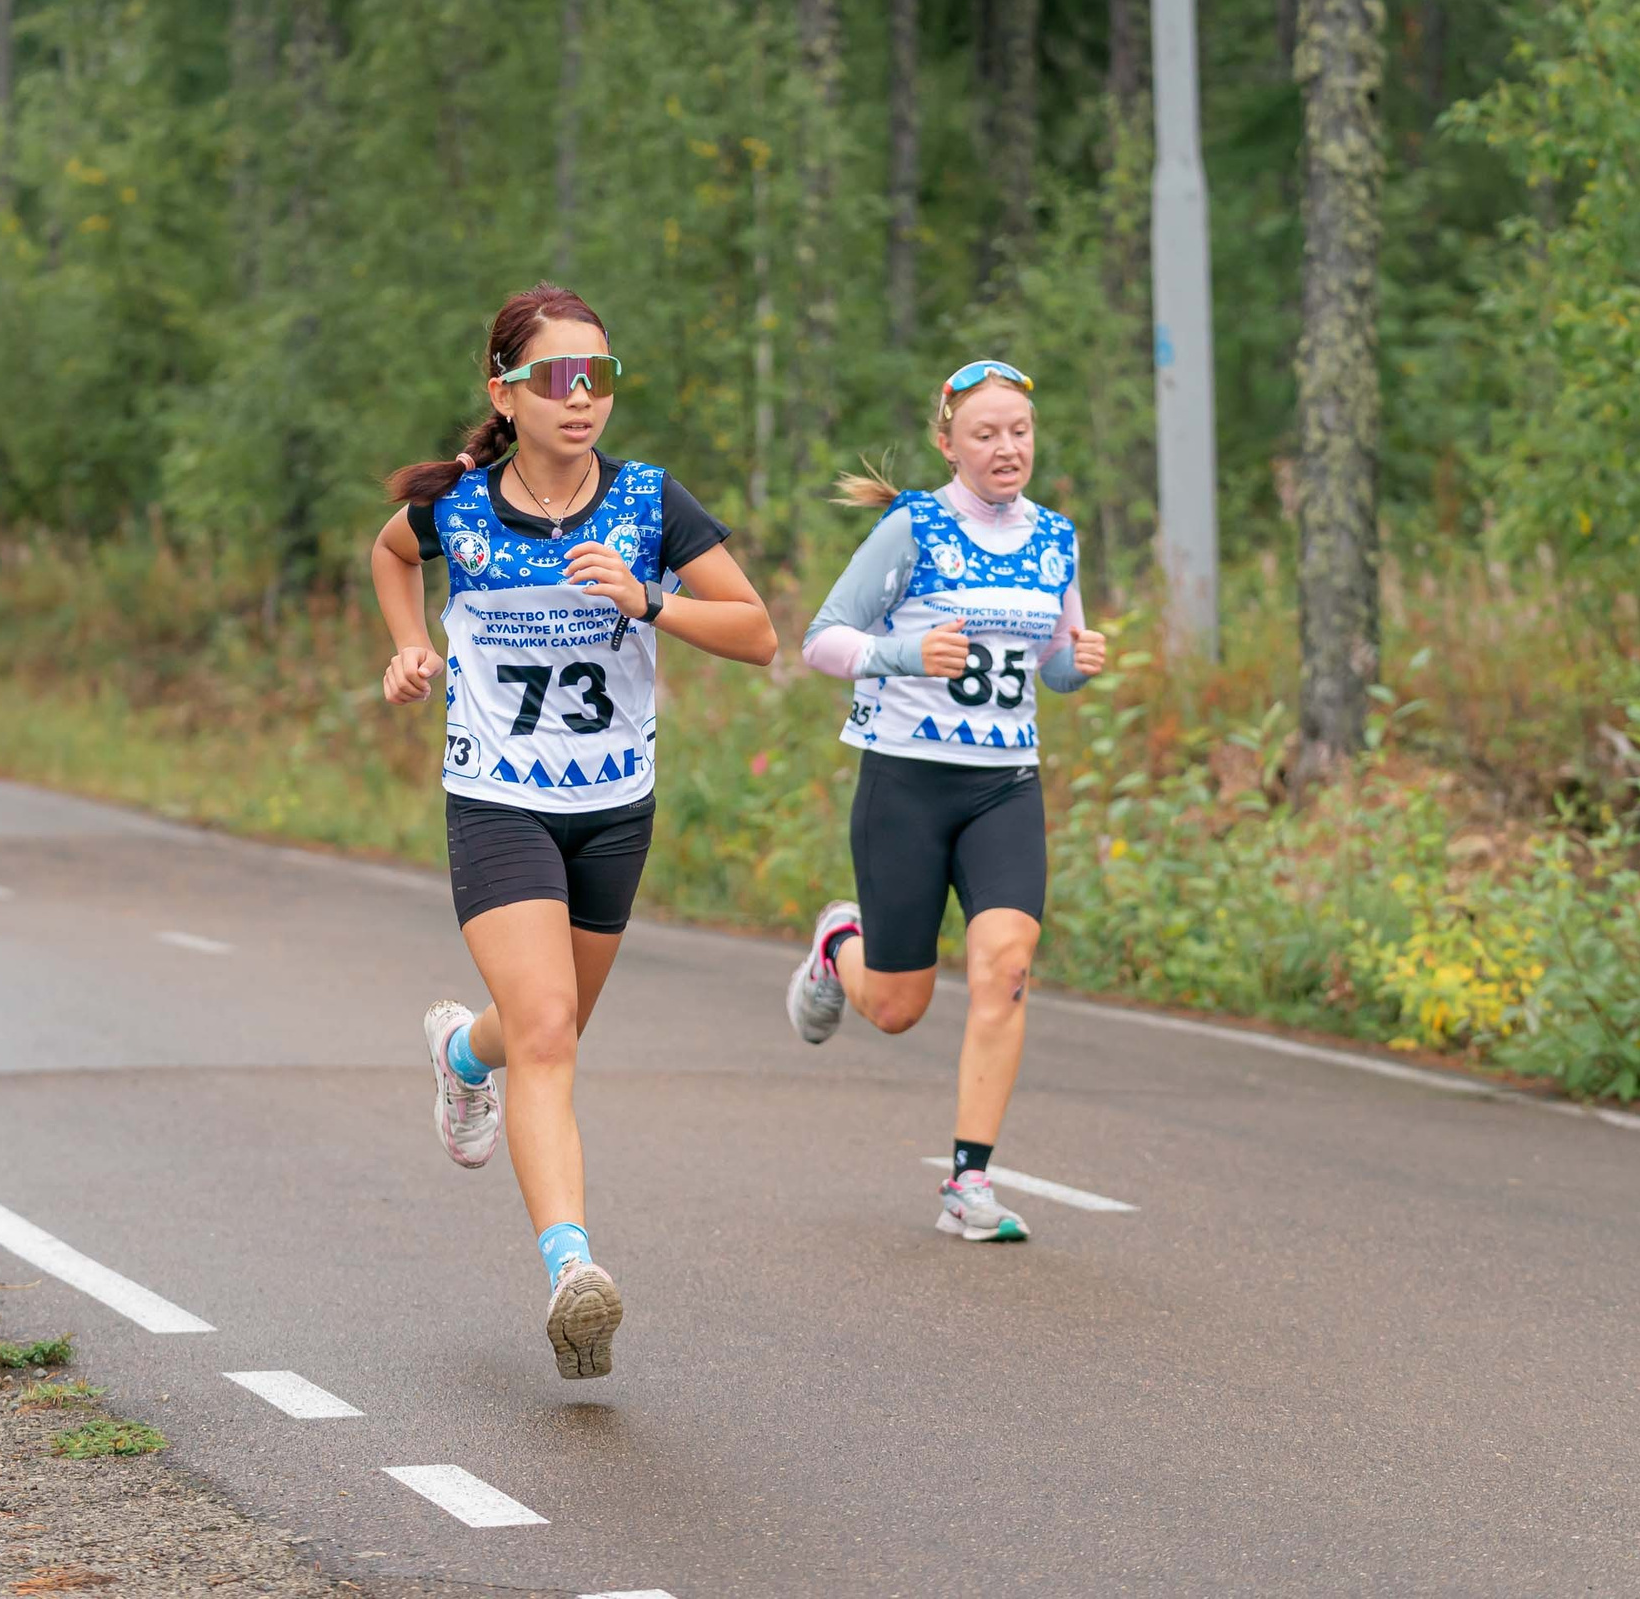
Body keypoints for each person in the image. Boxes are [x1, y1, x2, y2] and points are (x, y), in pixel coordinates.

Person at [371, 283, 776, 1378]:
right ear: (504, 392)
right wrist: (409, 647)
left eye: (598, 375)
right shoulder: (458, 508)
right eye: (556, 377)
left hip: (611, 809)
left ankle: (461, 1053)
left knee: (542, 1030)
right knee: (546, 1029)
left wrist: (650, 602)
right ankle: (573, 1272)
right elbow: (391, 555)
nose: (581, 396)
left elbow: (757, 634)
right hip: (498, 799)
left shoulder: (647, 501)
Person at [784, 359, 1107, 1242]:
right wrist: (905, 654)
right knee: (898, 1008)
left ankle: (970, 1179)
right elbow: (821, 639)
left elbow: (1054, 664)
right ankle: (838, 946)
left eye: (1020, 432)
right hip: (907, 782)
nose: (1007, 448)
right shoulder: (913, 526)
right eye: (985, 434)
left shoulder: (1057, 537)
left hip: (1006, 785)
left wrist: (1078, 662)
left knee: (1007, 965)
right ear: (948, 444)